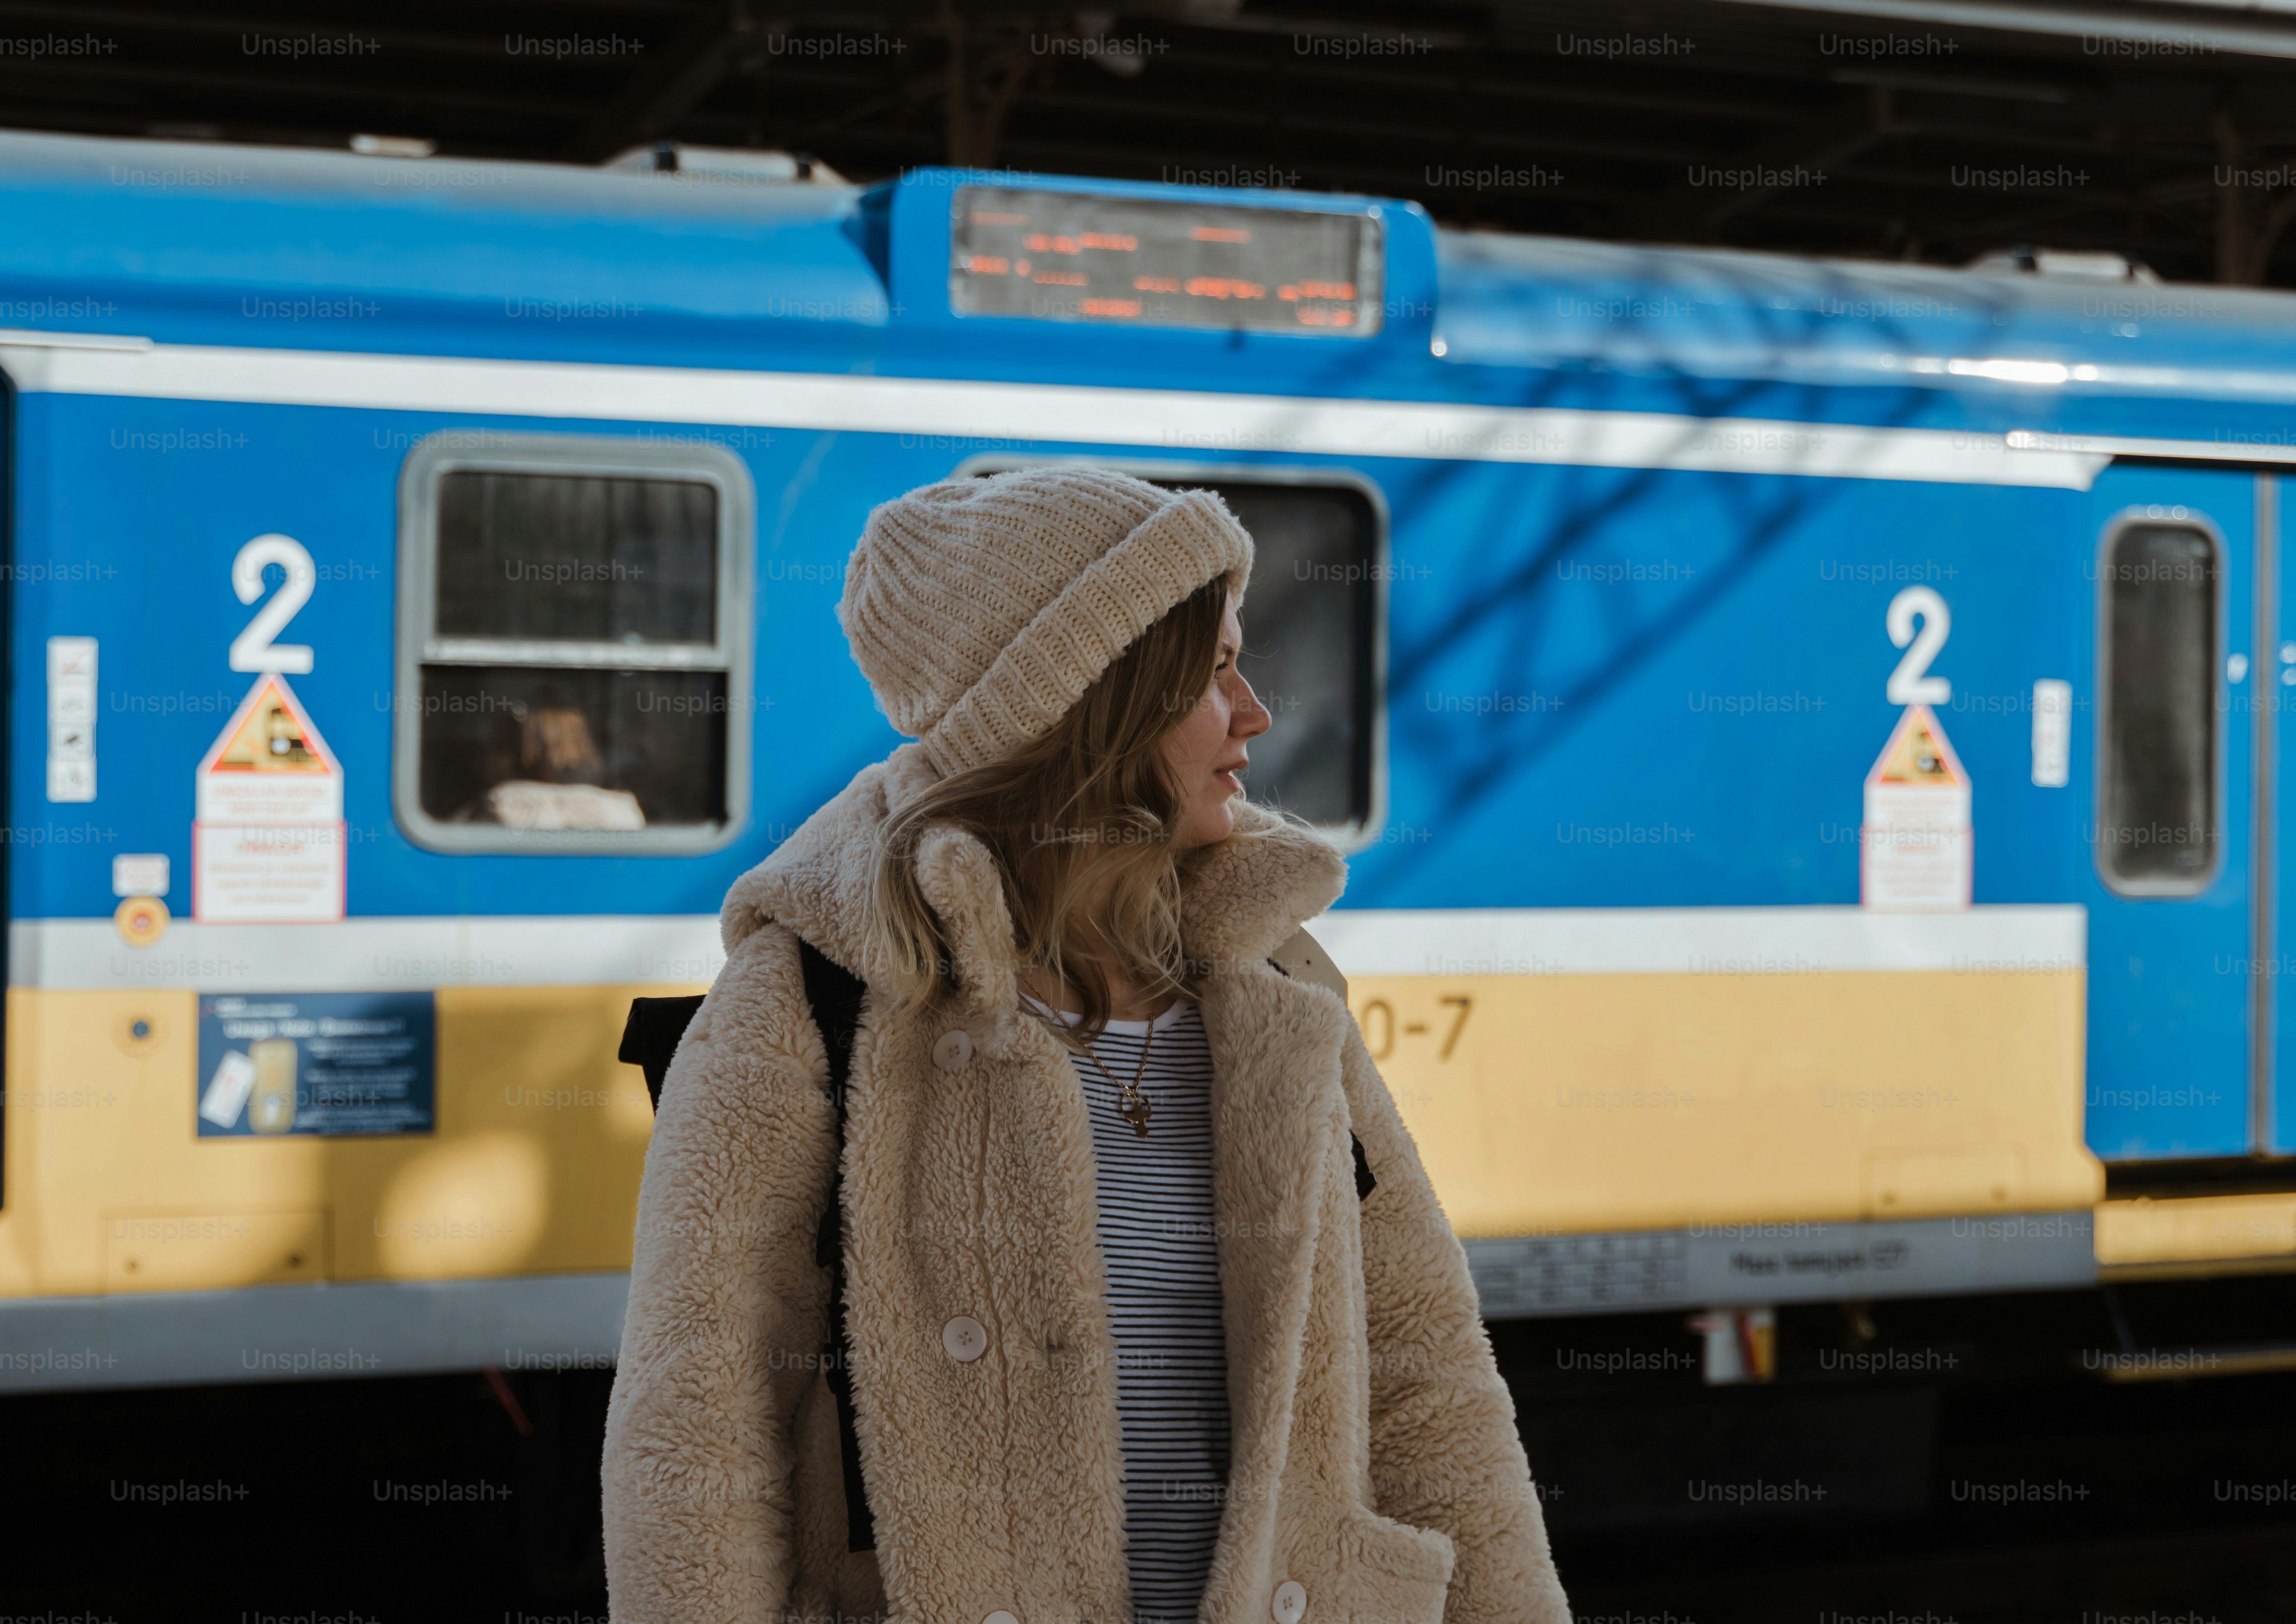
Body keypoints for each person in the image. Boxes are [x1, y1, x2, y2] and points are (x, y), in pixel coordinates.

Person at [602, 466, 1571, 1624]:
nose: (1254, 713)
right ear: (1088, 705)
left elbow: (1427, 1383)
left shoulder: (1273, 984)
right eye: (1212, 673)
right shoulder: (807, 1000)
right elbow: (698, 1441)